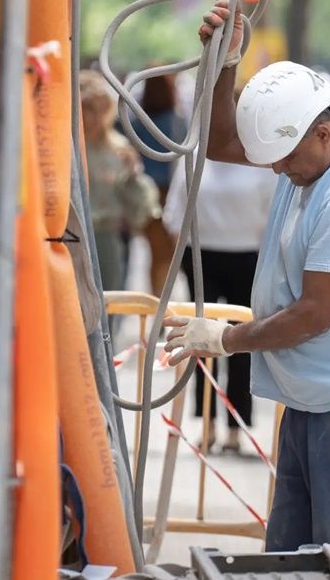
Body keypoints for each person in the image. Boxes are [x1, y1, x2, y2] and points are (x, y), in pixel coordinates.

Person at [162, 1, 330, 579]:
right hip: (315, 404)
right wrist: (227, 62)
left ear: (322, 133)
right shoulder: (314, 156)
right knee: (292, 564)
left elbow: (314, 315)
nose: (275, 171)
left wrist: (225, 340)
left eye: (283, 159)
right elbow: (222, 141)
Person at [163, 156, 276, 453]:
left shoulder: (257, 158)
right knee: (200, 340)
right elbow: (174, 211)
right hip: (201, 256)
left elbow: (273, 212)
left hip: (248, 256)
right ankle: (207, 423)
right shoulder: (196, 152)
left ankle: (235, 427)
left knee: (241, 342)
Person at [77, 70, 161, 291]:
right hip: (72, 234)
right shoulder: (67, 146)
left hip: (108, 236)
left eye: (96, 109)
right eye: (84, 108)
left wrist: (133, 175)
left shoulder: (118, 148)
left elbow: (141, 204)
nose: (89, 117)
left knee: (110, 302)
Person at [128, 70, 185, 296]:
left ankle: (157, 301)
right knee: (171, 254)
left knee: (156, 254)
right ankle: (165, 305)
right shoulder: (178, 120)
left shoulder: (135, 122)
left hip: (145, 195)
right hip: (173, 193)